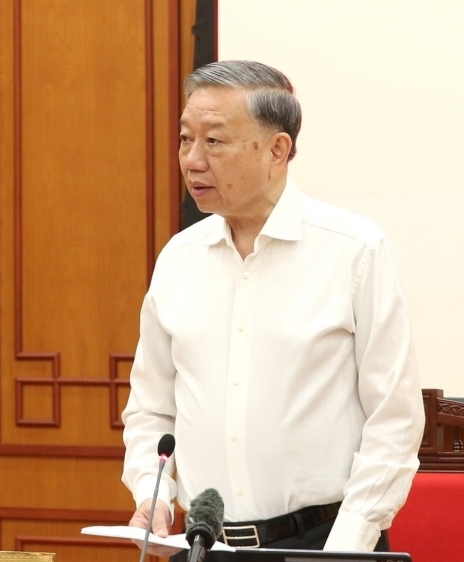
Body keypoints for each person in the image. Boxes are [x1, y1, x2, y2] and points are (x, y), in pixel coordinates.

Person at [121, 60, 424, 556]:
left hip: (323, 542)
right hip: (202, 544)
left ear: (277, 150)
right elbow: (151, 408)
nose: (192, 160)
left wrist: (346, 547)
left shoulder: (354, 251)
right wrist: (150, 494)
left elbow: (395, 419)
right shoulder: (179, 259)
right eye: (185, 139)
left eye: (214, 141)